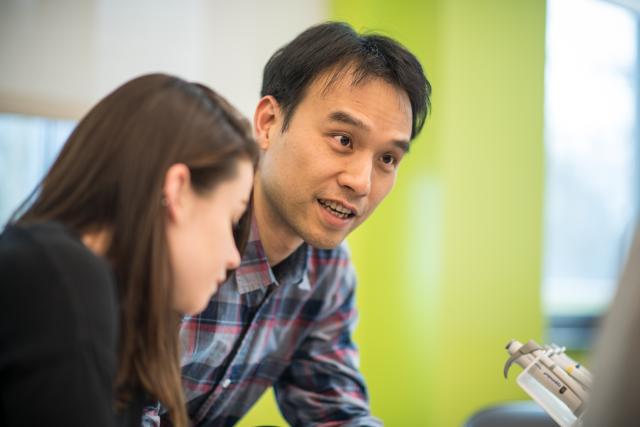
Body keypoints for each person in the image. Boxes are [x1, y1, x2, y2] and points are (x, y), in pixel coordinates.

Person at [147, 22, 431, 426]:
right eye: (344, 140)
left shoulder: (327, 269)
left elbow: (333, 410)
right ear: (267, 123)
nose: (361, 182)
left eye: (387, 159)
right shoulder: (180, 233)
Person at [0, 73, 259, 427]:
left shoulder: (117, 318)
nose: (233, 256)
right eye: (232, 218)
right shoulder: (64, 277)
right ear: (178, 189)